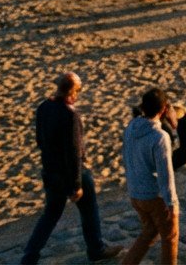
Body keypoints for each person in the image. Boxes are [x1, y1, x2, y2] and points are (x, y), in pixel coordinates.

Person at [20, 73, 122, 265]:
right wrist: (76, 184)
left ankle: (29, 256)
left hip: (50, 170)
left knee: (50, 215)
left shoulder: (44, 107)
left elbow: (40, 140)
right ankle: (96, 249)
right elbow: (74, 151)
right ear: (73, 92)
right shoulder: (70, 115)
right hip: (71, 172)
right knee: (89, 210)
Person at [121, 88, 178, 265]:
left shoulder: (131, 127)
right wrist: (172, 204)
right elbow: (165, 174)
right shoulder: (160, 137)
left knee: (149, 233)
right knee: (170, 238)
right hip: (154, 197)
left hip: (135, 193)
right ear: (163, 110)